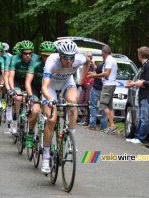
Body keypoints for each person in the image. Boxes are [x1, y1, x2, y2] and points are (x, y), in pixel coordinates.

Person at [41, 40, 90, 173]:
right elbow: (44, 87)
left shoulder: (78, 59)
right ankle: (45, 157)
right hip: (50, 86)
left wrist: (81, 81)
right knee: (51, 120)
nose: (69, 61)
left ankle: (70, 138)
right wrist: (50, 99)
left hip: (66, 82)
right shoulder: (51, 62)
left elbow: (88, 61)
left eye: (71, 57)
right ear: (60, 55)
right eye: (66, 57)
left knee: (73, 102)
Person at [24, 41, 56, 149]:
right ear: (40, 54)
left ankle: (48, 140)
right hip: (35, 88)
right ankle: (30, 132)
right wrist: (30, 96)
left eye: (50, 55)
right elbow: (28, 82)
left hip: (49, 89)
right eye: (45, 55)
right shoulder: (34, 61)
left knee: (50, 117)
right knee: (35, 110)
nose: (47, 58)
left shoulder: (56, 63)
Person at [8, 40, 39, 134]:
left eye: (30, 53)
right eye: (25, 53)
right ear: (21, 52)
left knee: (32, 102)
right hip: (17, 81)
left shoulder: (36, 59)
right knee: (18, 98)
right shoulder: (15, 59)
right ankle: (14, 118)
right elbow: (10, 77)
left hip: (30, 82)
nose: (28, 55)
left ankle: (28, 117)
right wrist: (12, 89)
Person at [125, 46, 149, 144]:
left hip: (147, 96)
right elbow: (141, 81)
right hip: (142, 95)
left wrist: (134, 84)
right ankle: (137, 136)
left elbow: (147, 82)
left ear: (140, 55)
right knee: (141, 116)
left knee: (144, 118)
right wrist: (134, 82)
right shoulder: (144, 66)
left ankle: (141, 138)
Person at [87, 45, 118, 133]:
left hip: (108, 86)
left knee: (103, 105)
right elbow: (107, 75)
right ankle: (112, 126)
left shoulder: (109, 60)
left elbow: (107, 74)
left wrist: (95, 75)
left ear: (103, 53)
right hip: (110, 84)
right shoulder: (111, 59)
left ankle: (112, 125)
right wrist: (95, 76)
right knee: (109, 106)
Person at [84, 60, 108, 131]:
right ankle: (104, 126)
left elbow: (95, 71)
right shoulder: (110, 67)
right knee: (104, 107)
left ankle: (92, 124)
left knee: (93, 106)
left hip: (96, 88)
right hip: (105, 88)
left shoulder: (103, 65)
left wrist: (94, 65)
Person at [77, 52, 96, 126]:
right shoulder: (83, 65)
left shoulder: (91, 66)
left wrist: (93, 64)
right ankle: (84, 119)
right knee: (80, 103)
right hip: (83, 86)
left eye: (86, 58)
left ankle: (87, 120)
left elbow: (96, 72)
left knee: (86, 102)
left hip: (88, 86)